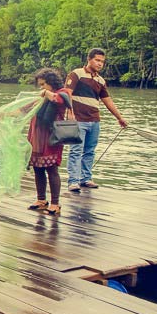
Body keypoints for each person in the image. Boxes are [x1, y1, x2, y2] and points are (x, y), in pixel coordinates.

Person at [65, 48, 128, 192]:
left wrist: (119, 118)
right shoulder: (76, 74)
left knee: (90, 151)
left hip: (94, 120)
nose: (100, 64)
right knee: (76, 150)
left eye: (102, 62)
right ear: (89, 59)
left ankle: (85, 178)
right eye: (97, 60)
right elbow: (67, 93)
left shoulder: (100, 80)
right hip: (78, 119)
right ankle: (73, 181)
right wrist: (70, 112)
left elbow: (107, 100)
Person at [28, 68, 73, 214]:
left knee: (52, 169)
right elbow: (27, 107)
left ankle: (55, 203)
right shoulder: (44, 95)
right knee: (38, 168)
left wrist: (46, 93)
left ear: (51, 82)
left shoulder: (62, 92)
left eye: (43, 84)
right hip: (37, 136)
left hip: (51, 137)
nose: (41, 88)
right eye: (40, 85)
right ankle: (41, 200)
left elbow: (58, 99)